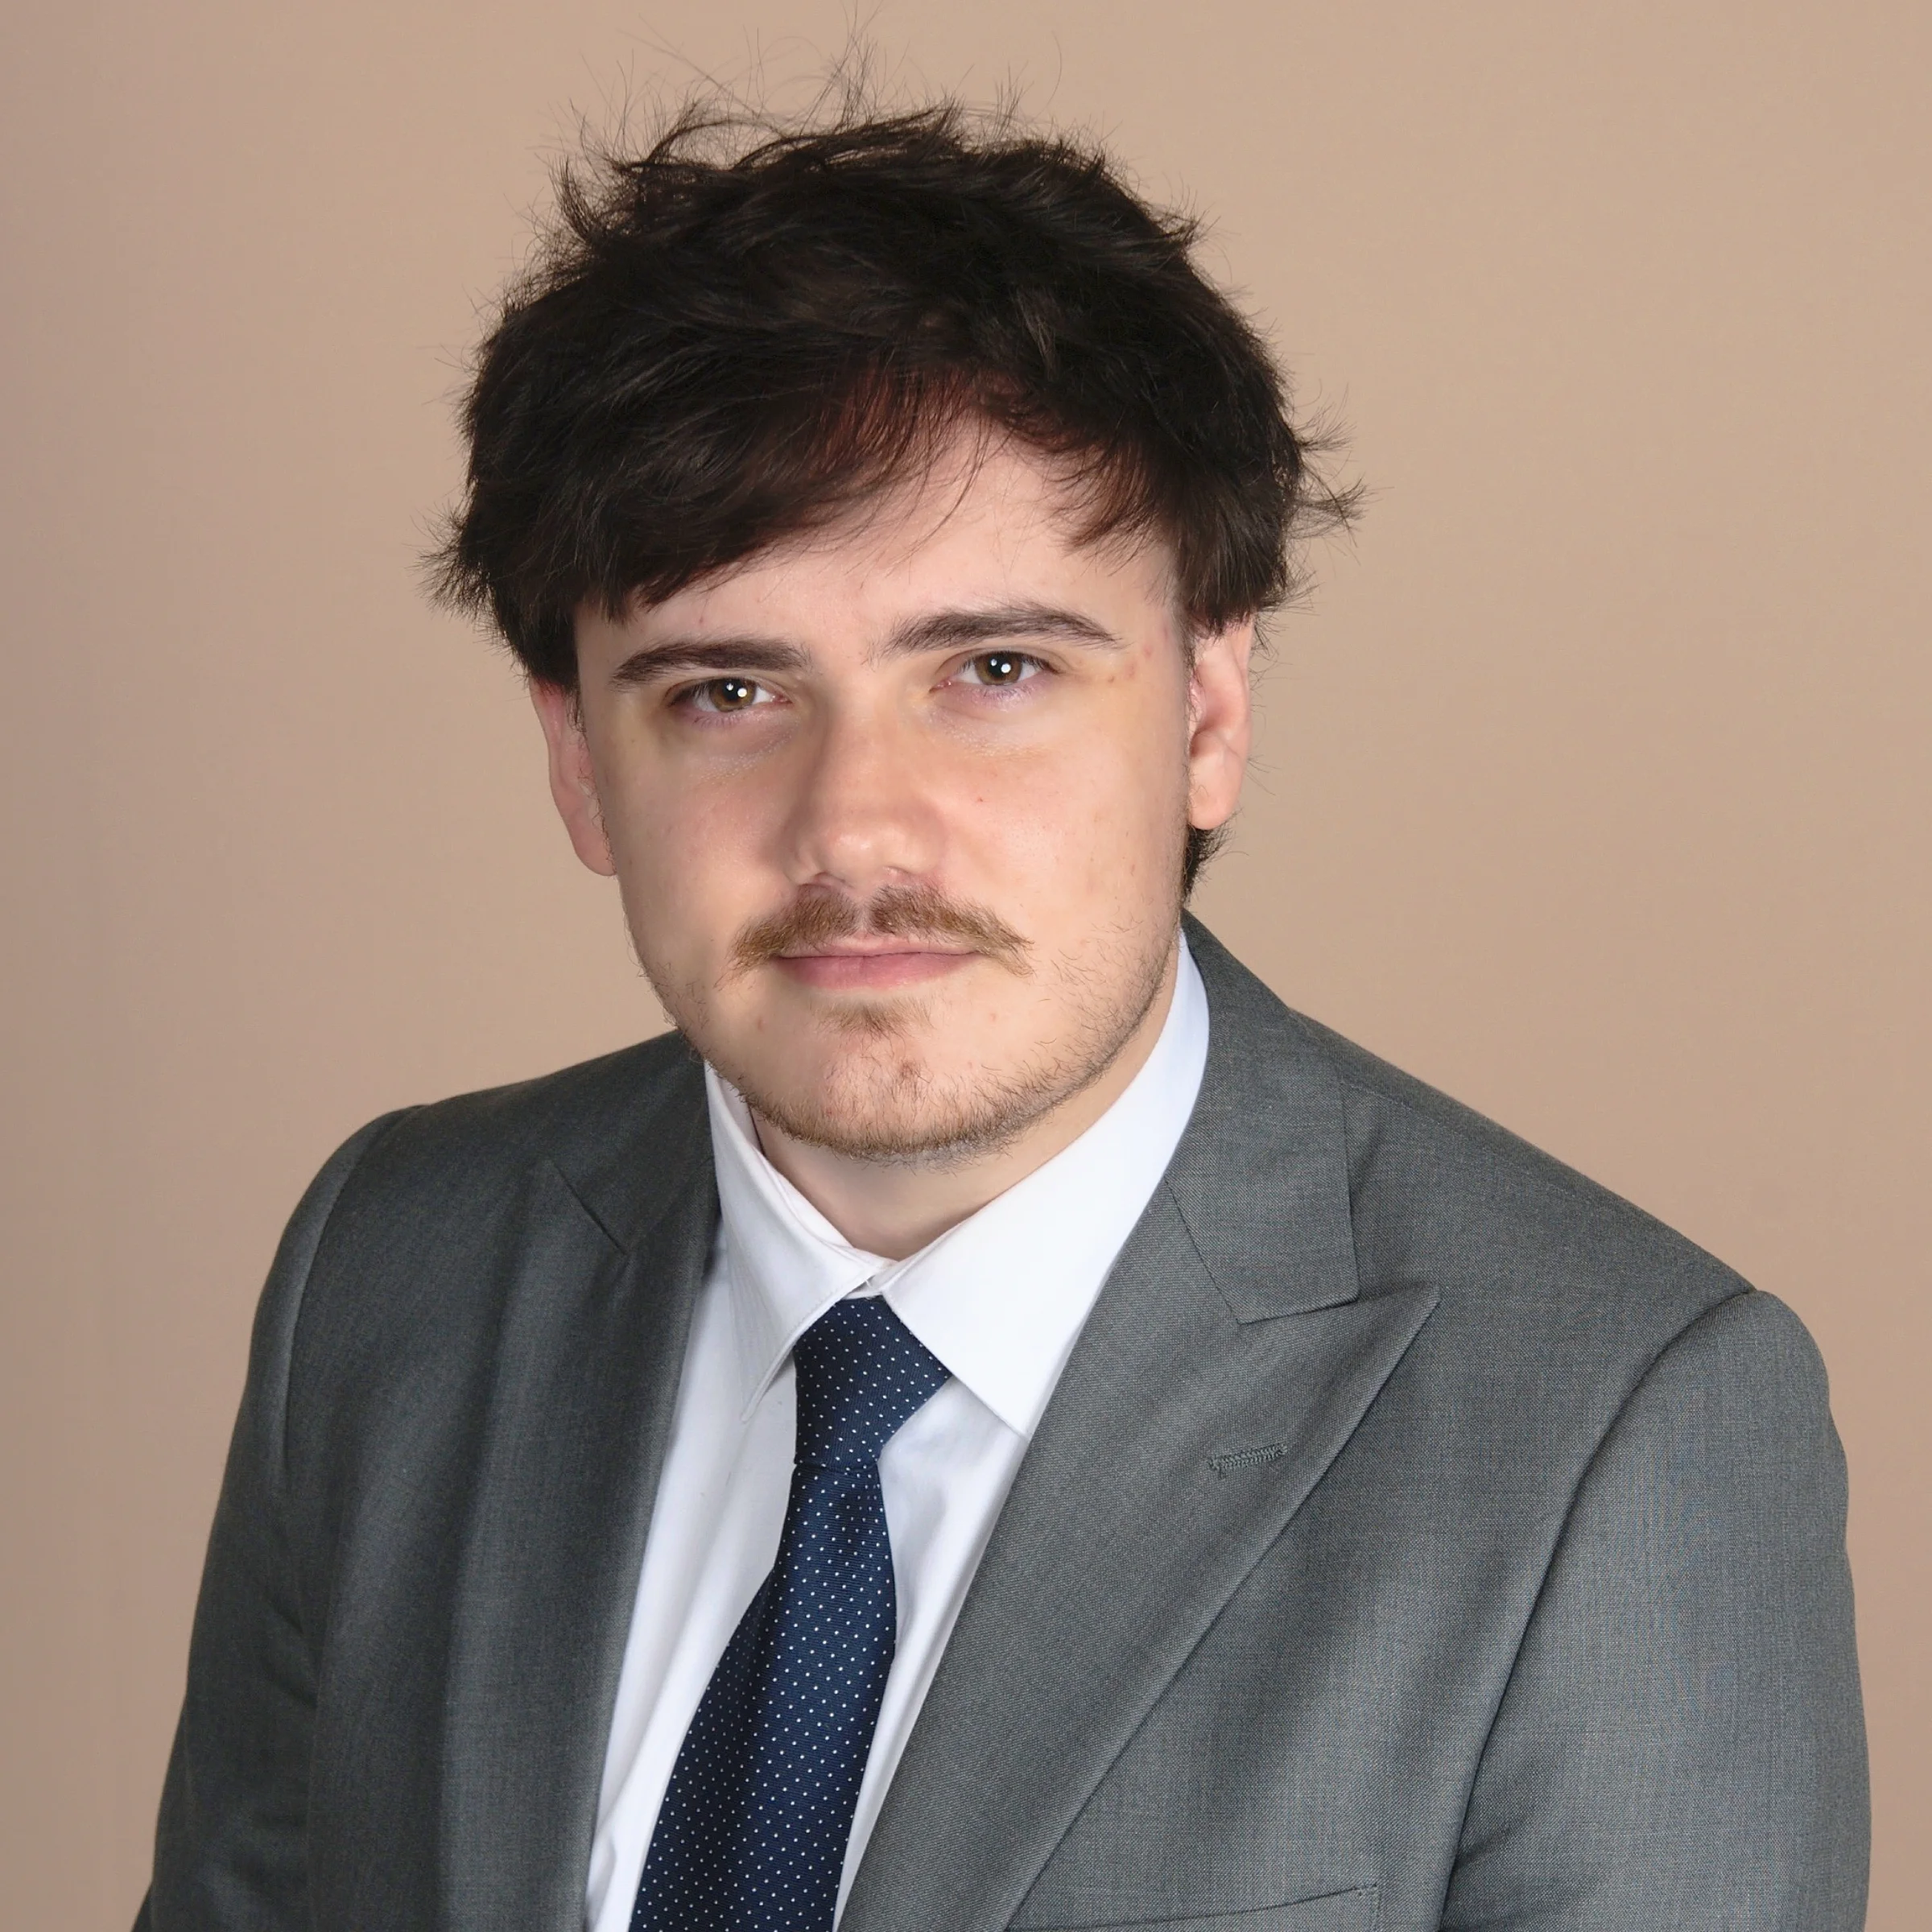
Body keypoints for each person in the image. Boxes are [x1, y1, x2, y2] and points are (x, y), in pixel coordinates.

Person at [138, 98, 1867, 1932]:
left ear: (1208, 713)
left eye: (995, 669)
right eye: (727, 689)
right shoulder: (392, 1267)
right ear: (580, 760)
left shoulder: (1625, 1431)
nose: (856, 826)